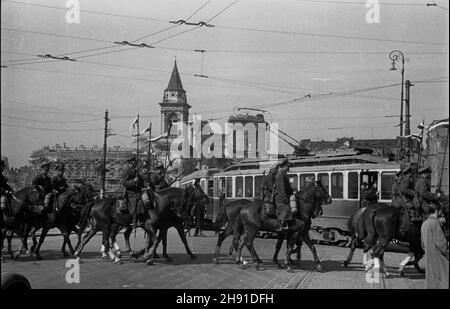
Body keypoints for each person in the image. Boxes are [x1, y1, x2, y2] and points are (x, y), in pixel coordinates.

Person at [421, 196, 449, 289]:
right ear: (437, 211)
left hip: (429, 257)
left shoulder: (424, 224)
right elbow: (442, 245)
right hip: (439, 258)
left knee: (431, 283)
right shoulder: (434, 223)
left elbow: (423, 245)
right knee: (443, 281)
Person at [121, 157, 146, 221]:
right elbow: (124, 183)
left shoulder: (136, 171)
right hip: (130, 193)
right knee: (136, 201)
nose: (135, 164)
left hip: (138, 191)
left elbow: (141, 181)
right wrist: (133, 181)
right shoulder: (127, 171)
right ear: (131, 163)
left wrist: (147, 186)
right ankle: (134, 220)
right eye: (134, 162)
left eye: (135, 162)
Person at [274, 159, 293, 231]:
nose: (289, 167)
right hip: (280, 197)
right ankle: (281, 225)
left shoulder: (283, 173)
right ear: (285, 165)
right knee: (286, 207)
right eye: (288, 165)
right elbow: (281, 187)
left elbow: (287, 186)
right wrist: (285, 199)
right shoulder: (281, 173)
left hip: (282, 195)